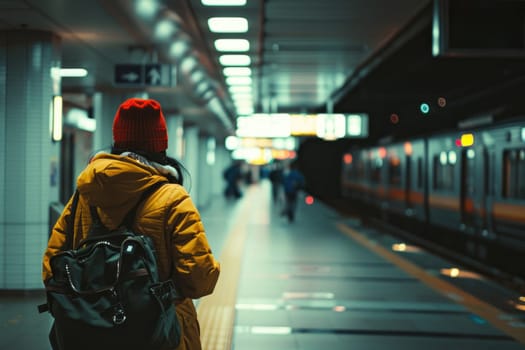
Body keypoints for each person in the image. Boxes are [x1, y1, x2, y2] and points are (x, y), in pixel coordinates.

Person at [42, 97, 220, 350]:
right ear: (161, 144)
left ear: (117, 141)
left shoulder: (85, 195)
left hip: (90, 333)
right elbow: (198, 279)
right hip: (160, 333)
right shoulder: (173, 197)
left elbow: (52, 267)